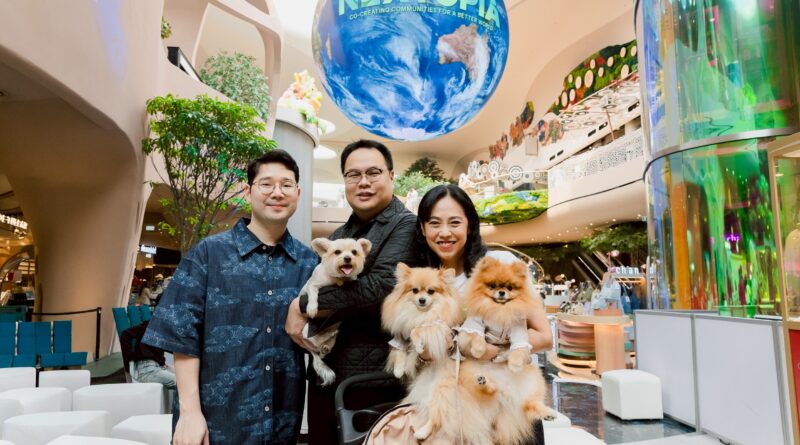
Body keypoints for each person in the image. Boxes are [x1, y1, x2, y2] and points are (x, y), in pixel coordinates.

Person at [143, 150, 318, 445]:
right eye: (266, 184)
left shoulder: (309, 263)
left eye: (287, 185)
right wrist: (190, 413)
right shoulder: (209, 253)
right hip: (215, 423)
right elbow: (182, 337)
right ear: (248, 192)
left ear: (298, 194)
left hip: (281, 423)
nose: (277, 192)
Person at [285, 139, 418, 444]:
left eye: (373, 173)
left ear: (392, 176)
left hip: (375, 382)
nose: (363, 182)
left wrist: (301, 305)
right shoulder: (340, 234)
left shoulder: (407, 226)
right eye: (353, 175)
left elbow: (381, 287)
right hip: (327, 380)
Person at [415, 184, 551, 444]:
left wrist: (494, 352)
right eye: (434, 223)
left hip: (511, 407)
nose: (445, 232)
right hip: (460, 414)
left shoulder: (501, 263)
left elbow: (544, 336)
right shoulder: (424, 280)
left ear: (470, 225)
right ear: (422, 228)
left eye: (455, 222)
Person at [120, 319, 176, 389]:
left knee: (184, 377)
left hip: (157, 367)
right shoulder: (152, 324)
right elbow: (125, 335)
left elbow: (175, 350)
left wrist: (161, 363)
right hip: (146, 370)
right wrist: (130, 363)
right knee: (180, 381)